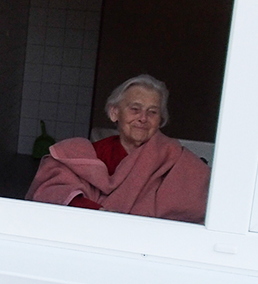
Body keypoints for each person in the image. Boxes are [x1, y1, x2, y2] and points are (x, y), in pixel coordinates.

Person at [25, 74, 210, 223]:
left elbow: (202, 199)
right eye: (135, 109)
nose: (143, 118)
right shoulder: (91, 154)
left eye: (152, 112)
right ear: (115, 113)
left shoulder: (174, 156)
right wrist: (99, 213)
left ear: (160, 120)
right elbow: (51, 191)